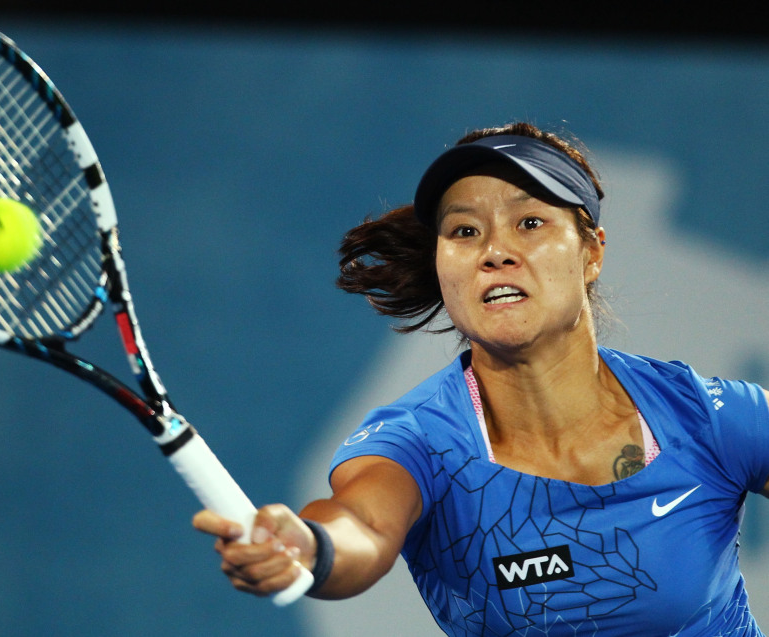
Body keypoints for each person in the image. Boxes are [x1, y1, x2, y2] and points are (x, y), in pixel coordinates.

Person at [193, 121, 769, 635]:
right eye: (465, 232)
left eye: (529, 222)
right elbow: (361, 523)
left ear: (591, 251)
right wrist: (308, 547)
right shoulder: (418, 442)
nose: (495, 250)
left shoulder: (707, 416)